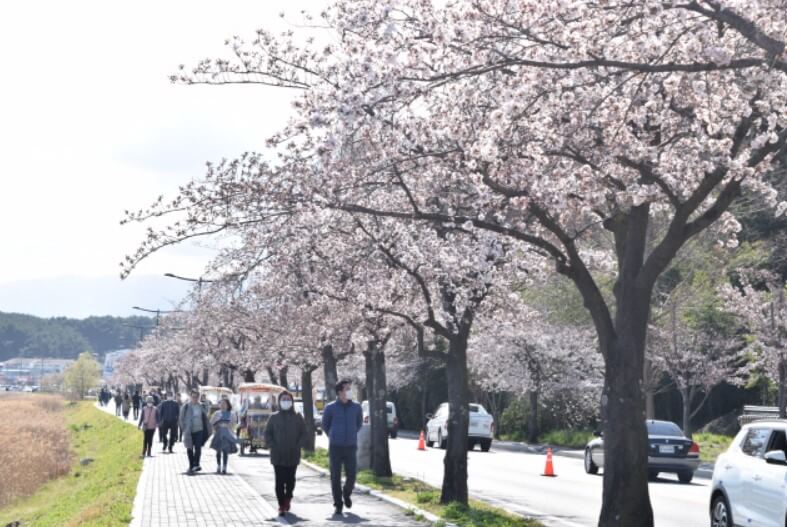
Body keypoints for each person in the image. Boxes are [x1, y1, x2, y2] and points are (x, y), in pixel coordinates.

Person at [321, 380, 363, 516]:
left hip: (351, 446)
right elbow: (325, 425)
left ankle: (346, 493)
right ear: (339, 392)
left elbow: (359, 423)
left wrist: (351, 434)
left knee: (352, 475)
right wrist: (333, 435)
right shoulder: (330, 407)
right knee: (335, 476)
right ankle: (338, 504)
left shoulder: (356, 407)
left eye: (350, 388)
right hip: (335, 447)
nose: (349, 391)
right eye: (347, 389)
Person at [264, 391, 306, 517]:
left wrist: (298, 445)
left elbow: (304, 433)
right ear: (279, 401)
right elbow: (267, 433)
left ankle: (288, 497)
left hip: (293, 454)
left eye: (288, 399)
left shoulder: (298, 416)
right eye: (283, 399)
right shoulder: (274, 417)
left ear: (292, 401)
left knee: (290, 480)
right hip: (278, 455)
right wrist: (272, 445)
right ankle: (281, 504)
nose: (286, 401)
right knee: (279, 481)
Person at [179, 390, 211, 474]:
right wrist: (184, 429)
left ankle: (196, 464)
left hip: (199, 430)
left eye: (197, 397)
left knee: (198, 448)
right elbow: (181, 419)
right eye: (193, 397)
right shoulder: (186, 406)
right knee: (189, 448)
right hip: (189, 431)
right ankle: (191, 465)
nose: (195, 399)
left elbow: (206, 416)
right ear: (190, 397)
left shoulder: (201, 406)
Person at [209, 398, 239, 475]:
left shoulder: (232, 414)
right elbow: (211, 422)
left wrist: (227, 425)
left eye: (224, 404)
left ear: (228, 405)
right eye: (221, 404)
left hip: (227, 434)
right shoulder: (216, 413)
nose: (222, 405)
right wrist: (217, 425)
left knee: (225, 451)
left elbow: (234, 423)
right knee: (218, 451)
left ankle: (224, 467)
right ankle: (219, 466)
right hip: (218, 434)